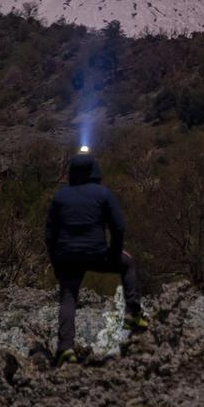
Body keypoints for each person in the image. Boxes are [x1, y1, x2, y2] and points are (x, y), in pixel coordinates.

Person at [45, 151, 148, 366]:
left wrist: (57, 263)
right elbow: (118, 227)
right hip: (97, 254)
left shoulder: (60, 196)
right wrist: (114, 252)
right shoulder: (103, 193)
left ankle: (65, 348)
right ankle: (132, 313)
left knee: (68, 298)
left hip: (67, 257)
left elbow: (49, 235)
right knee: (128, 264)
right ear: (94, 170)